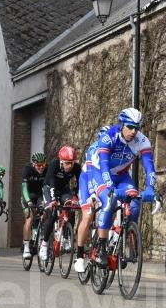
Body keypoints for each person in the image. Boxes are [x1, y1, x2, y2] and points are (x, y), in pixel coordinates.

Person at [91, 108, 157, 267]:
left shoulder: (142, 141)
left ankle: (124, 236)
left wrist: (150, 188)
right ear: (121, 125)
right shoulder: (109, 137)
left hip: (121, 175)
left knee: (134, 201)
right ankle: (101, 247)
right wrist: (110, 187)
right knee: (110, 200)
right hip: (100, 172)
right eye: (130, 127)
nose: (134, 131)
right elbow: (105, 165)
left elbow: (149, 167)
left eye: (137, 127)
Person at [73, 127, 108, 273]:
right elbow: (92, 175)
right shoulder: (93, 150)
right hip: (87, 181)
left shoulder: (117, 150)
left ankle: (104, 244)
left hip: (104, 181)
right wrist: (93, 195)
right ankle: (80, 256)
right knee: (87, 216)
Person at [38, 146, 80, 262]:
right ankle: (44, 244)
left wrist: (77, 196)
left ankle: (66, 237)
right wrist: (53, 200)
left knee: (71, 206)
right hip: (49, 188)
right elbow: (51, 183)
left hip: (63, 190)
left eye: (72, 163)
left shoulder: (76, 167)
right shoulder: (54, 165)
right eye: (67, 163)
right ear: (61, 162)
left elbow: (81, 183)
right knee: (52, 214)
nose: (70, 166)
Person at [20, 152, 47, 260]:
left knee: (45, 213)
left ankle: (39, 236)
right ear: (33, 164)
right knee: (29, 218)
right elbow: (24, 187)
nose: (41, 167)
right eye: (38, 165)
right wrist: (29, 202)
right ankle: (26, 247)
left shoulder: (47, 169)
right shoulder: (27, 170)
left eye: (43, 165)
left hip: (40, 195)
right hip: (28, 195)